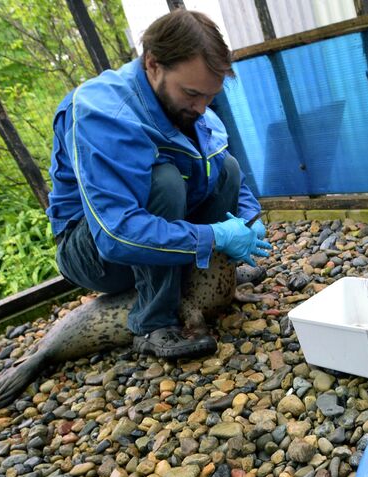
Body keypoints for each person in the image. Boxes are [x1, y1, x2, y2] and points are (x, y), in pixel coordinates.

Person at [45, 10, 271, 359]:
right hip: (93, 250)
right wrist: (215, 236)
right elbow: (116, 235)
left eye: (210, 96)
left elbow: (215, 165)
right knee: (164, 182)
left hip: (141, 232)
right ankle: (153, 323)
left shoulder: (187, 103)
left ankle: (209, 282)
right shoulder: (100, 113)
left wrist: (247, 218)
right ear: (152, 64)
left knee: (226, 167)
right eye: (193, 94)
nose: (202, 107)